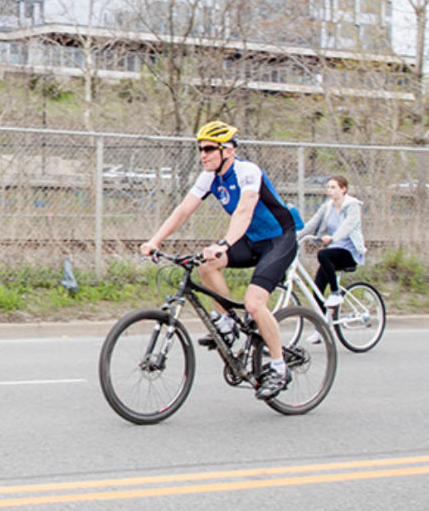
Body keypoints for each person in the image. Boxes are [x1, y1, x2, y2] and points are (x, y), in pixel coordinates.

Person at [140, 120, 298, 400]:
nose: (203, 155)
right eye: (200, 149)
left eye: (209, 149)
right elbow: (183, 211)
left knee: (254, 303)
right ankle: (225, 323)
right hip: (250, 239)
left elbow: (245, 211)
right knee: (205, 265)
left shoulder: (247, 171)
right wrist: (155, 240)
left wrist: (224, 244)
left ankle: (279, 367)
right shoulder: (210, 177)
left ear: (228, 150)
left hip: (278, 239)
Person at [296, 175, 367, 343]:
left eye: (334, 187)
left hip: (349, 252)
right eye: (328, 187)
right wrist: (294, 237)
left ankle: (335, 293)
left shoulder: (353, 206)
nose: (330, 191)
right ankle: (319, 330)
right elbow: (312, 224)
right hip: (333, 252)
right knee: (317, 291)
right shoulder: (327, 207)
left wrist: (333, 238)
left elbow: (348, 226)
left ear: (344, 189)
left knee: (322, 254)